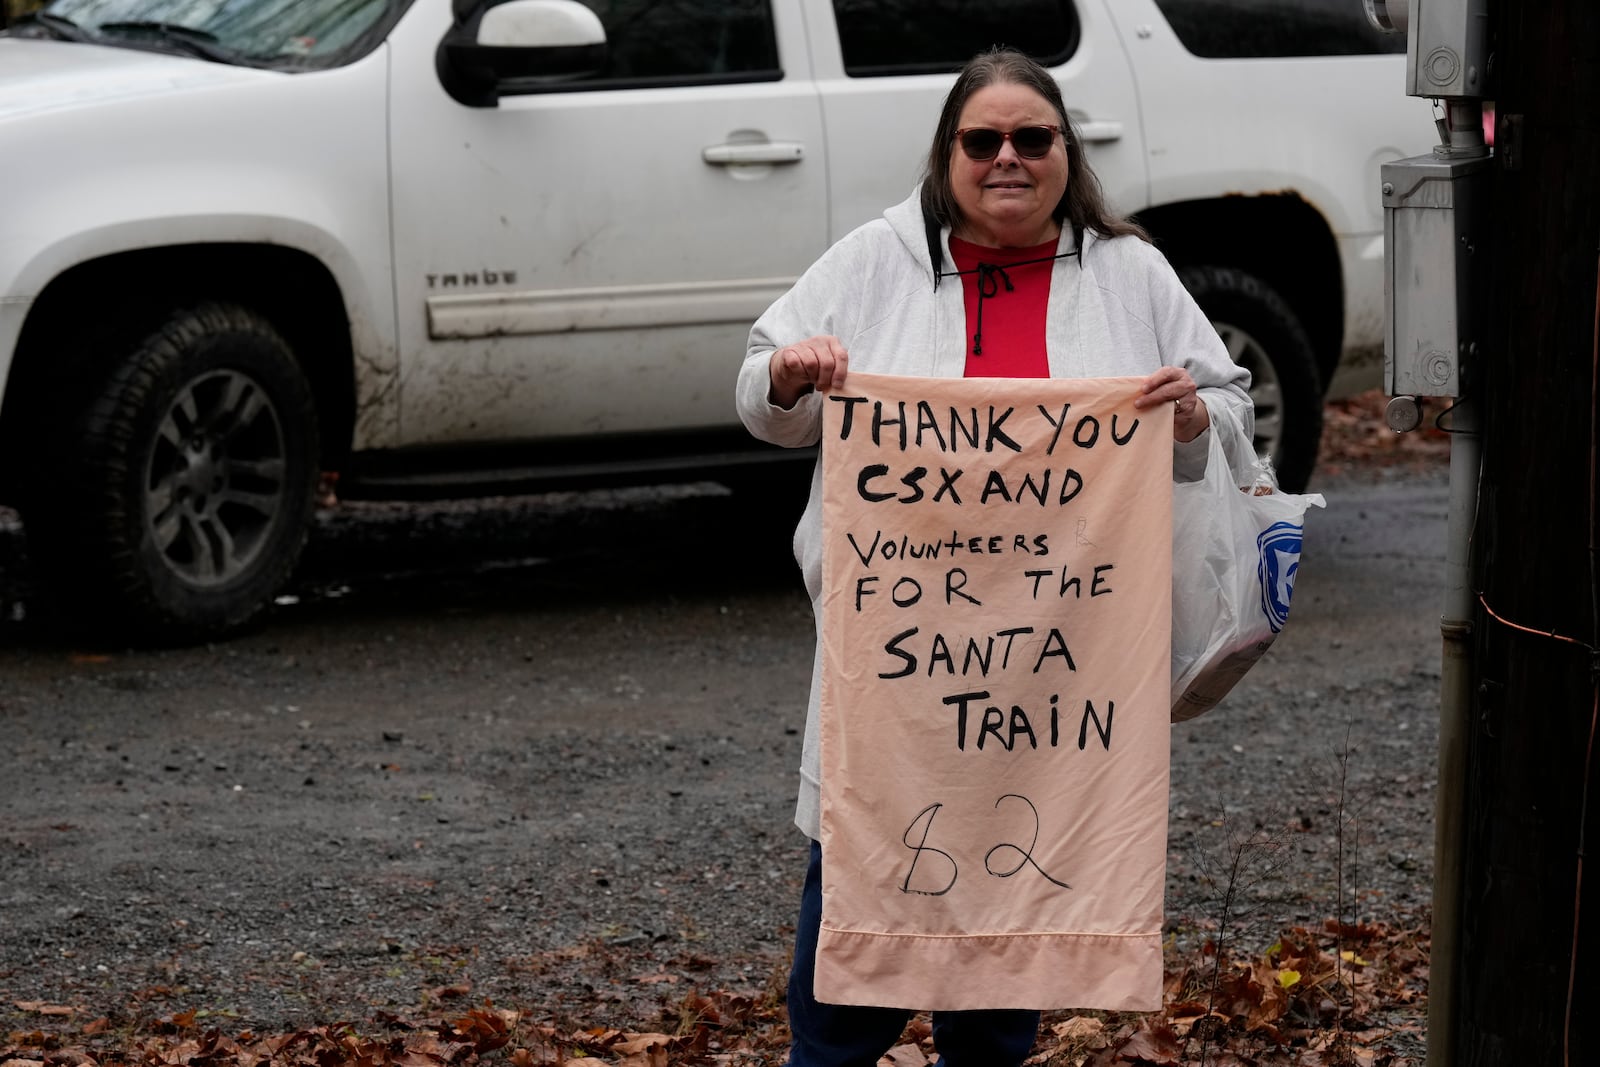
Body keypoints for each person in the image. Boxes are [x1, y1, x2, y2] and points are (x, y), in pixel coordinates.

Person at [735, 46, 1255, 1067]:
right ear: (947, 154)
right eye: (982, 140)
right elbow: (763, 392)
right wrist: (794, 374)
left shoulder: (1131, 273)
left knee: (999, 989)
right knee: (844, 977)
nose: (1006, 158)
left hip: (1055, 688)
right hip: (897, 682)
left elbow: (1228, 409)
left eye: (1032, 138)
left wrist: (1193, 415)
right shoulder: (876, 259)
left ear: (1066, 151)